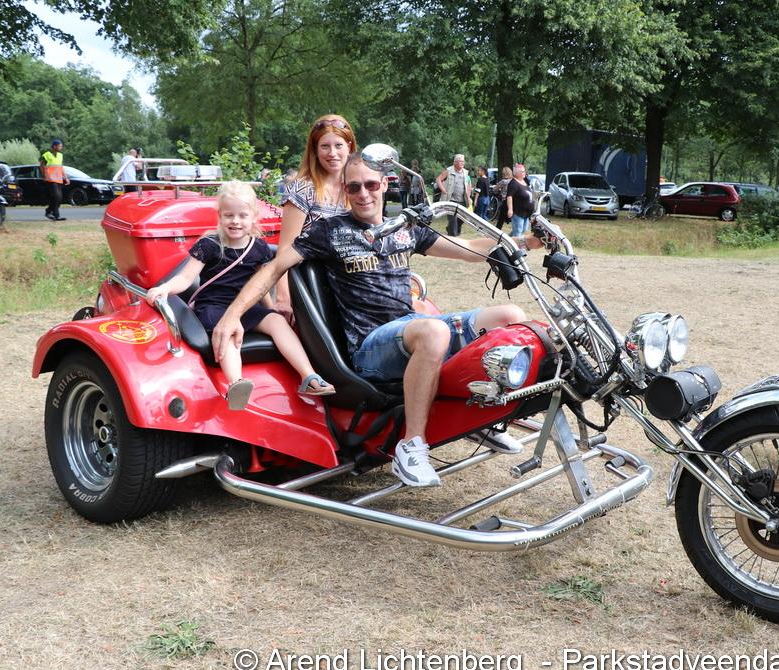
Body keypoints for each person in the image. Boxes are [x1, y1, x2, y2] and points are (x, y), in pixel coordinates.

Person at [212, 153, 536, 487]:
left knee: (509, 318)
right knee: (434, 330)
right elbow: (275, 267)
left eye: (370, 184)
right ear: (345, 190)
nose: (363, 193)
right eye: (354, 187)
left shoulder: (404, 227)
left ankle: (478, 417)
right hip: (369, 348)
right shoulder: (331, 230)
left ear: (384, 184)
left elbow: (466, 247)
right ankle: (411, 447)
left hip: (408, 327)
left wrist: (523, 242)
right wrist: (232, 315)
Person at [146, 180, 335, 410]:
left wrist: (270, 309)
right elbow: (186, 278)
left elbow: (261, 285)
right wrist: (165, 288)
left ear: (253, 217)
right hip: (213, 307)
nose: (235, 221)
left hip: (246, 307)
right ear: (220, 216)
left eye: (242, 215)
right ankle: (236, 384)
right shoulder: (209, 245)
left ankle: (309, 376)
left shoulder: (259, 248)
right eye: (229, 215)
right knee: (230, 333)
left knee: (277, 322)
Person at [273, 114, 357, 318]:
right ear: (315, 150)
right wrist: (283, 298)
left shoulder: (358, 187)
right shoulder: (304, 189)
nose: (332, 153)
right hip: (315, 284)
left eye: (338, 145)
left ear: (349, 147)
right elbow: (285, 248)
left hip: (352, 281)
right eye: (325, 146)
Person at [436, 154, 472, 237]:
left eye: (463, 161)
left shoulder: (465, 172)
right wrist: (444, 190)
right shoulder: (449, 170)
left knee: (462, 219)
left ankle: (450, 229)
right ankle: (453, 236)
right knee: (453, 219)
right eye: (460, 161)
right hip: (451, 200)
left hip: (463, 200)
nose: (462, 163)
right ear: (455, 162)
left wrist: (469, 196)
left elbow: (468, 184)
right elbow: (438, 180)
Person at [40, 138, 69, 221]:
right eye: (60, 146)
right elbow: (41, 165)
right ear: (54, 146)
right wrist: (44, 175)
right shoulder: (47, 155)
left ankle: (49, 211)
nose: (61, 147)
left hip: (58, 179)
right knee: (56, 196)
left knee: (59, 198)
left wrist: (66, 177)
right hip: (50, 179)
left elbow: (61, 167)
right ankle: (56, 215)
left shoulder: (60, 155)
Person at [506, 163, 535, 240]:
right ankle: (515, 246)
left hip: (526, 213)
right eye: (523, 171)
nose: (524, 173)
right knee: (518, 231)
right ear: (517, 173)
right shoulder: (513, 183)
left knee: (523, 229)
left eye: (524, 171)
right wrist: (510, 209)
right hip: (518, 212)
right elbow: (509, 196)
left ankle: (506, 241)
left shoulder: (524, 181)